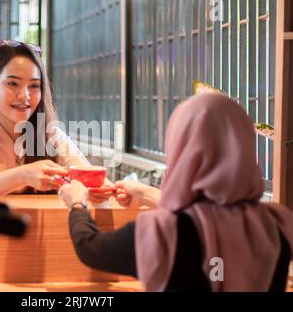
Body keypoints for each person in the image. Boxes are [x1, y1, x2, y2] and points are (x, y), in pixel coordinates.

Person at [59, 92, 293, 292]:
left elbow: (90, 248)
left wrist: (77, 204)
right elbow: (209, 216)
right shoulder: (278, 223)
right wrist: (146, 194)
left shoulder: (163, 234)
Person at [0, 40, 113, 203]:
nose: (24, 96)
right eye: (13, 83)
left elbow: (87, 174)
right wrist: (24, 175)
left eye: (34, 86)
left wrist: (104, 189)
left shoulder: (51, 135)